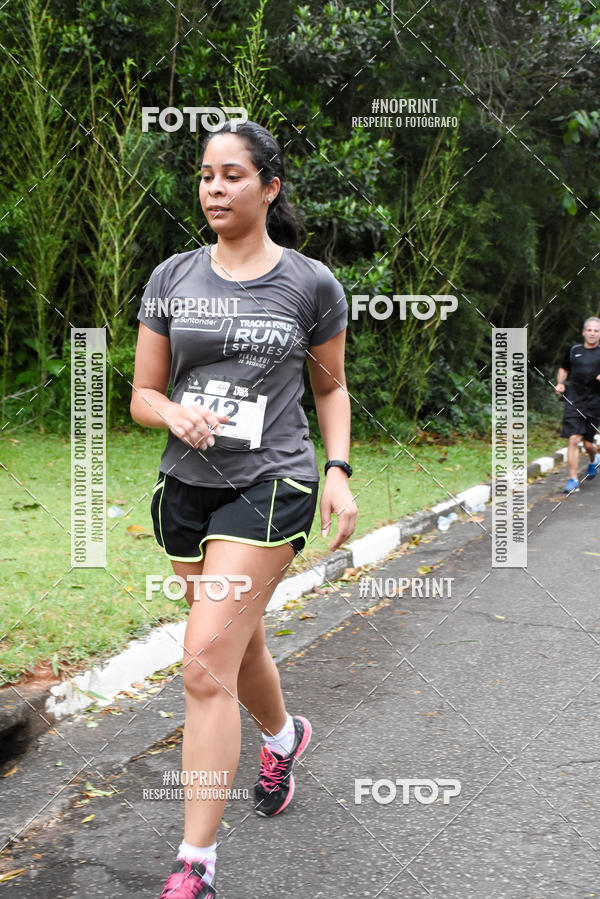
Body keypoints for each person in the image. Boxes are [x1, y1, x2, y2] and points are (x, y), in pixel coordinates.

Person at [130, 120, 357, 898]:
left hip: (273, 484)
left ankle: (196, 863)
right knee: (237, 640)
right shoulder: (172, 276)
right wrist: (172, 412)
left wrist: (337, 470)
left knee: (203, 663)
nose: (215, 188)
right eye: (205, 175)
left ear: (269, 186)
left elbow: (330, 387)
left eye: (232, 174)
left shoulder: (311, 285)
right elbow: (143, 392)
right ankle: (284, 736)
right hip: (186, 488)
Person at [555, 315, 600, 492]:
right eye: (589, 330)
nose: (592, 333)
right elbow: (564, 368)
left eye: (596, 331)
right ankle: (573, 479)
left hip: (595, 403)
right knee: (573, 438)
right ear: (583, 332)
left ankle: (594, 459)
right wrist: (560, 383)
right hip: (574, 400)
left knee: (588, 444)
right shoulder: (574, 350)